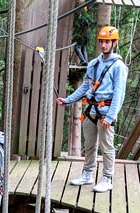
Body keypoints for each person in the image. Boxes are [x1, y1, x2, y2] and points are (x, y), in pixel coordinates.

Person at [56, 26, 128, 193]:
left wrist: (110, 116)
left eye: (107, 42)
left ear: (114, 43)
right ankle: (87, 174)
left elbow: (119, 93)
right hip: (90, 111)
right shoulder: (94, 64)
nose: (103, 45)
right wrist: (67, 100)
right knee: (89, 145)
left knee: (107, 147)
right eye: (101, 41)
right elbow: (85, 88)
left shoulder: (119, 66)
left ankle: (107, 178)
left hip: (105, 113)